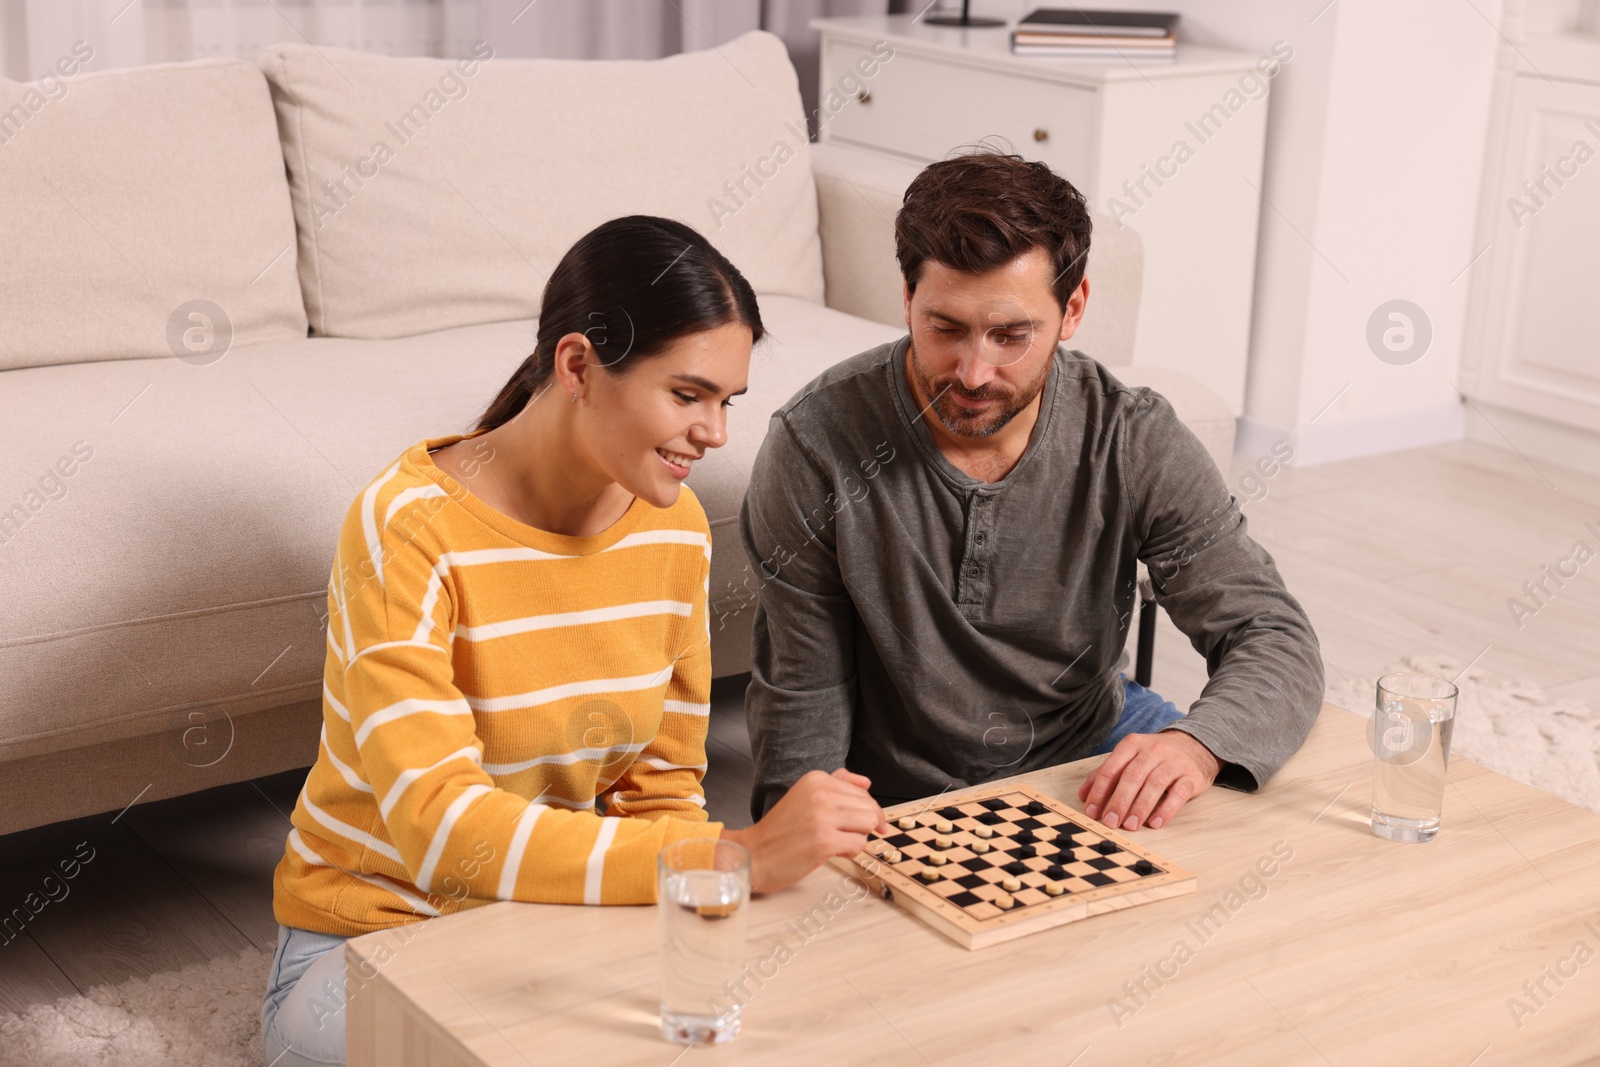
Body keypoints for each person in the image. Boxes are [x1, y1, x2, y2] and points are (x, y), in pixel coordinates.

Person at [261, 216, 888, 1067]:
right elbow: (442, 829)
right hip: (372, 939)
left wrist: (706, 923)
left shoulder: (676, 532)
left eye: (727, 401)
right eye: (687, 393)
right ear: (578, 366)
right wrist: (732, 854)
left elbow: (660, 796)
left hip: (549, 927)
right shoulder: (407, 529)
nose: (715, 433)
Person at [740, 149, 1325, 833]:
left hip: (1090, 751)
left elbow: (1272, 633)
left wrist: (1194, 747)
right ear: (906, 297)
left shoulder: (1134, 437)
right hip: (899, 785)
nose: (973, 371)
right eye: (944, 328)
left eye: (1011, 335)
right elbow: (803, 702)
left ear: (1072, 309)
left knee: (1273, 840)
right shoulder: (816, 445)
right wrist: (791, 839)